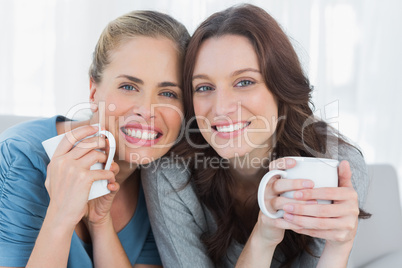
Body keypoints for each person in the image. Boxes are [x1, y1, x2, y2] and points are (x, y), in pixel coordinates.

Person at [142, 4, 370, 267]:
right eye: (204, 87)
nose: (221, 108)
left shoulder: (336, 164)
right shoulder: (171, 174)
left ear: (280, 86)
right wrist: (263, 237)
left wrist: (338, 248)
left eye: (244, 82)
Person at [0, 10, 190, 267]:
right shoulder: (20, 158)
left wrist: (101, 224)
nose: (147, 110)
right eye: (128, 87)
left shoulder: (158, 180)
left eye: (168, 93)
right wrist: (61, 215)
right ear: (93, 91)